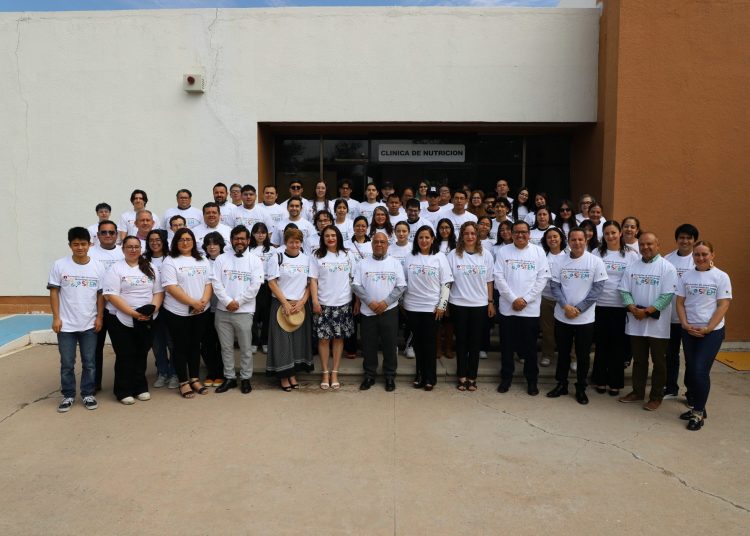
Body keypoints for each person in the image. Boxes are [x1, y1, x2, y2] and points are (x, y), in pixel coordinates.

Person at [546, 228, 607, 405]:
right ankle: (561, 384)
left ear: (585, 241)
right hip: (562, 316)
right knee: (563, 353)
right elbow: (555, 287)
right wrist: (565, 306)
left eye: (580, 239)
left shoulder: (595, 261)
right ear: (568, 241)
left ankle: (581, 388)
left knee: (582, 355)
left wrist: (578, 309)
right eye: (573, 239)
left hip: (585, 319)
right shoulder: (560, 261)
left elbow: (597, 290)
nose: (577, 242)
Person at [675, 241, 732, 431]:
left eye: (704, 254)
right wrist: (684, 324)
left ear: (712, 255)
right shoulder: (686, 276)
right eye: (697, 254)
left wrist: (709, 328)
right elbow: (680, 302)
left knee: (700, 370)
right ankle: (698, 406)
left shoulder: (721, 277)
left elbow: (723, 305)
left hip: (711, 333)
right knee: (692, 370)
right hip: (689, 330)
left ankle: (698, 413)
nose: (700, 258)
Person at [618, 232, 678, 411]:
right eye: (642, 244)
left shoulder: (667, 268)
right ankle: (637, 392)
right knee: (639, 360)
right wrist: (632, 308)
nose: (645, 247)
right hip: (636, 321)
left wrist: (646, 312)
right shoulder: (632, 267)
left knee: (659, 362)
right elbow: (624, 291)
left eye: (649, 244)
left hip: (657, 325)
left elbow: (667, 296)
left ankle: (656, 396)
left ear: (658, 245)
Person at [48, 227, 105, 412]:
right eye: (76, 244)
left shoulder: (98, 266)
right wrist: (56, 318)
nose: (80, 247)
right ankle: (68, 395)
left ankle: (88, 394)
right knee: (67, 363)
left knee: (89, 362)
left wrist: (99, 317)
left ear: (90, 244)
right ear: (70, 245)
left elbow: (100, 295)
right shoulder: (59, 265)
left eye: (83, 244)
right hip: (66, 325)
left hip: (89, 324)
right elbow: (54, 292)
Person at [103, 236, 164, 405]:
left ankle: (140, 387)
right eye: (129, 247)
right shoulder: (115, 269)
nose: (133, 250)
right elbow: (111, 295)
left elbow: (158, 292)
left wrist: (152, 310)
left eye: (136, 247)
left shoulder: (150, 267)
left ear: (141, 249)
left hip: (147, 318)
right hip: (121, 318)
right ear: (123, 249)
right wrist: (133, 313)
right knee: (125, 355)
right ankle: (123, 390)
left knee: (141, 353)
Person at [494, 220, 550, 395]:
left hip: (530, 310)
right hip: (508, 308)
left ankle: (531, 380)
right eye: (516, 232)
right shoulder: (503, 252)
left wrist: (525, 300)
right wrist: (513, 299)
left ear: (529, 234)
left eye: (524, 232)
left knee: (530, 348)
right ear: (511, 234)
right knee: (507, 346)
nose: (520, 235)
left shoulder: (538, 252)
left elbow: (542, 279)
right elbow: (498, 277)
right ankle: (506, 378)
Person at [212, 225, 264, 395]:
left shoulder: (255, 260)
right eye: (236, 238)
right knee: (226, 347)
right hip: (223, 310)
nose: (239, 241)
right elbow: (216, 283)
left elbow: (255, 286)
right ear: (231, 240)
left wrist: (238, 302)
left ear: (248, 240)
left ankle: (246, 378)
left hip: (244, 311)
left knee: (245, 348)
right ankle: (230, 377)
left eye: (242, 238)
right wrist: (227, 301)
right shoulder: (221, 259)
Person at [161, 228, 213, 399]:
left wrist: (202, 302)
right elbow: (171, 287)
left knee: (195, 345)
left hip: (201, 311)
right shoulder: (170, 261)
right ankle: (183, 381)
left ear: (193, 241)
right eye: (181, 239)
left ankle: (195, 378)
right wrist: (193, 303)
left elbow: (208, 283)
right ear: (175, 242)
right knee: (180, 346)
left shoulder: (202, 259)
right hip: (178, 313)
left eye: (188, 239)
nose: (185, 242)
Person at [353, 232, 407, 391]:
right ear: (371, 244)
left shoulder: (395, 263)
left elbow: (401, 286)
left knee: (390, 344)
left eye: (382, 242)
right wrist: (369, 302)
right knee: (368, 344)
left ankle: (390, 375)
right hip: (367, 311)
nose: (379, 244)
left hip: (389, 310)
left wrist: (385, 303)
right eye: (376, 242)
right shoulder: (362, 263)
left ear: (387, 245)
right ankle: (369, 375)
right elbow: (356, 285)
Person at [591, 221, 638, 396]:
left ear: (620, 233)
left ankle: (615, 382)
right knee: (601, 345)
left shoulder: (631, 255)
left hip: (621, 306)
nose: (610, 236)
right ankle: (600, 379)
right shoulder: (596, 253)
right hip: (600, 305)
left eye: (613, 233)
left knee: (618, 346)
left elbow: (634, 279)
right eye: (607, 233)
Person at [447, 222, 495, 392]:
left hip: (479, 304)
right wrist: (445, 303)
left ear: (477, 235)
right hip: (458, 303)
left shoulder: (486, 255)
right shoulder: (453, 255)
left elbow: (489, 280)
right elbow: (447, 281)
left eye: (473, 233)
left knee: (475, 342)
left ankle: (472, 376)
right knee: (461, 341)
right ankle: (461, 375)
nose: (470, 236)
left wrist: (490, 302)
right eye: (466, 233)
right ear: (461, 235)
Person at [403, 226, 453, 390]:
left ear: (433, 240)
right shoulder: (410, 257)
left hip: (432, 308)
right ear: (416, 240)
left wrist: (442, 305)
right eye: (420, 237)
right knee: (417, 344)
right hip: (412, 306)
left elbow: (446, 283)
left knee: (430, 344)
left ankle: (430, 377)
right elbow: (404, 281)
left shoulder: (439, 257)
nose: (423, 240)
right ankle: (419, 374)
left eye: (427, 237)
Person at [309, 225, 357, 391]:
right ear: (322, 238)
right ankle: (325, 372)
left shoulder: (347, 254)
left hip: (343, 303)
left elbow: (354, 278)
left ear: (338, 237)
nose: (330, 238)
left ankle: (335, 372)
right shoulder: (317, 255)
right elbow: (313, 279)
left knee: (338, 338)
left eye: (333, 235)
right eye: (327, 236)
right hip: (323, 303)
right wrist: (315, 301)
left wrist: (357, 301)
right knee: (323, 339)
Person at [266, 228, 314, 389]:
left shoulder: (307, 259)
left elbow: (310, 283)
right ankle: (283, 376)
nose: (294, 245)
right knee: (282, 342)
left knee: (297, 341)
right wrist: (285, 303)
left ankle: (292, 374)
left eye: (297, 242)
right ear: (285, 242)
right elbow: (272, 282)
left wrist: (302, 302)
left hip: (300, 305)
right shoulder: (277, 257)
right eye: (291, 242)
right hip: (281, 304)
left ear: (301, 243)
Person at [89, 220, 125, 392]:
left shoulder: (123, 252)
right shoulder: (90, 253)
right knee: (95, 349)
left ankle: (122, 385)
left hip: (118, 308)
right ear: (98, 235)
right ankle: (94, 384)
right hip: (95, 308)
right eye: (104, 232)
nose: (108, 235)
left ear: (116, 235)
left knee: (122, 349)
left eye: (111, 232)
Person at [664, 223, 699, 399]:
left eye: (688, 238)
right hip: (670, 317)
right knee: (670, 355)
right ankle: (671, 388)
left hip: (690, 319)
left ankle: (691, 392)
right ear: (676, 239)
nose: (685, 241)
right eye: (681, 237)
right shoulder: (667, 259)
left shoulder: (698, 259)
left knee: (691, 357)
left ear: (694, 240)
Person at [143, 229, 178, 389]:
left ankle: (175, 373)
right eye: (151, 240)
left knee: (172, 342)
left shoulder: (172, 258)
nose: (155, 242)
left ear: (164, 241)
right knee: (157, 343)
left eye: (158, 239)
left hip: (171, 306)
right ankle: (162, 372)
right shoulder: (143, 260)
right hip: (153, 307)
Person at [199, 233, 227, 388]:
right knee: (207, 343)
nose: (212, 246)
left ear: (221, 245)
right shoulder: (201, 261)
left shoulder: (227, 260)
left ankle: (222, 373)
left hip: (223, 308)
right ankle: (212, 372)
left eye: (215, 243)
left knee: (222, 343)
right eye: (208, 244)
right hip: (206, 309)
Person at [539, 227, 567, 367]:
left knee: (567, 330)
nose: (552, 239)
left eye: (555, 236)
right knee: (547, 329)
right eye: (549, 237)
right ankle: (547, 354)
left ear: (561, 238)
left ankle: (571, 357)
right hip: (546, 298)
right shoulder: (542, 256)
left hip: (565, 300)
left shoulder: (569, 256)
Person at [247, 222, 276, 354]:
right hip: (253, 285)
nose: (260, 235)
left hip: (268, 285)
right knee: (253, 314)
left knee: (266, 315)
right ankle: (254, 342)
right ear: (253, 234)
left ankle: (265, 341)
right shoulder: (248, 249)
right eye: (257, 232)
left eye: (263, 232)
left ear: (267, 234)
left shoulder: (273, 250)